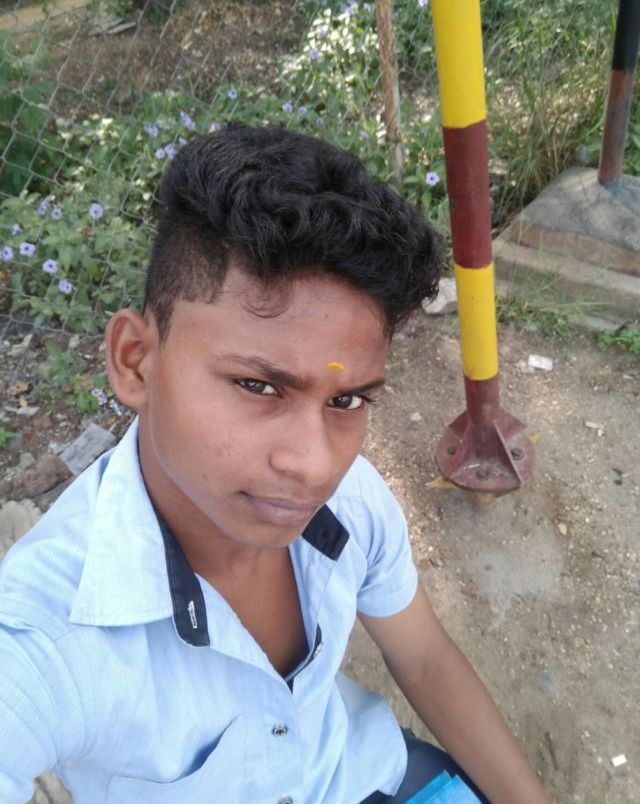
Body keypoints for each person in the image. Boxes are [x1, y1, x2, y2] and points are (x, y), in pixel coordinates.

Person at [0, 125, 551, 804]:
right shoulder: (44, 637)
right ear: (135, 362)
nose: (314, 465)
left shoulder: (353, 505)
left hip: (361, 775)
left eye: (346, 400)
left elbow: (426, 659)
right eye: (258, 386)